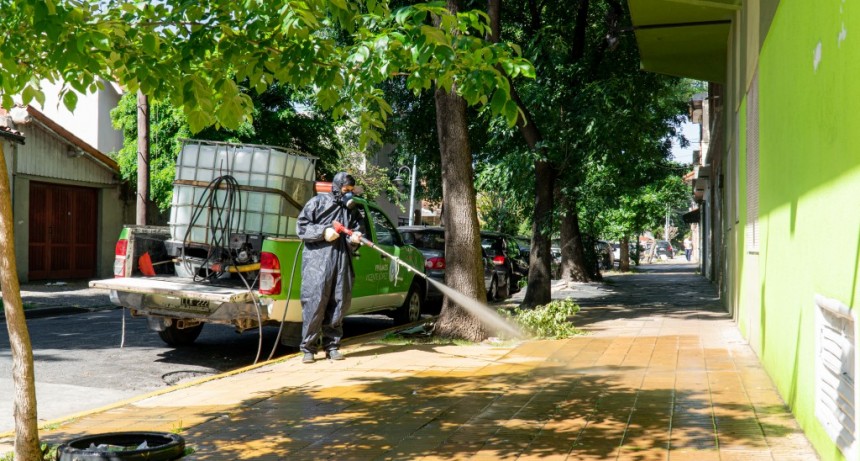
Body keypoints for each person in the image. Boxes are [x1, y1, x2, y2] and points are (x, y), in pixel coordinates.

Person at [296, 172, 363, 363]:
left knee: (339, 303)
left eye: (351, 190)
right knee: (314, 303)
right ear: (336, 187)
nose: (349, 193)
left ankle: (332, 346)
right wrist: (323, 231)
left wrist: (355, 237)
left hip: (342, 261)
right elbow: (302, 226)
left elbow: (359, 229)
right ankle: (308, 348)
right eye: (346, 189)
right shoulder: (317, 203)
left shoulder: (352, 210)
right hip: (317, 263)